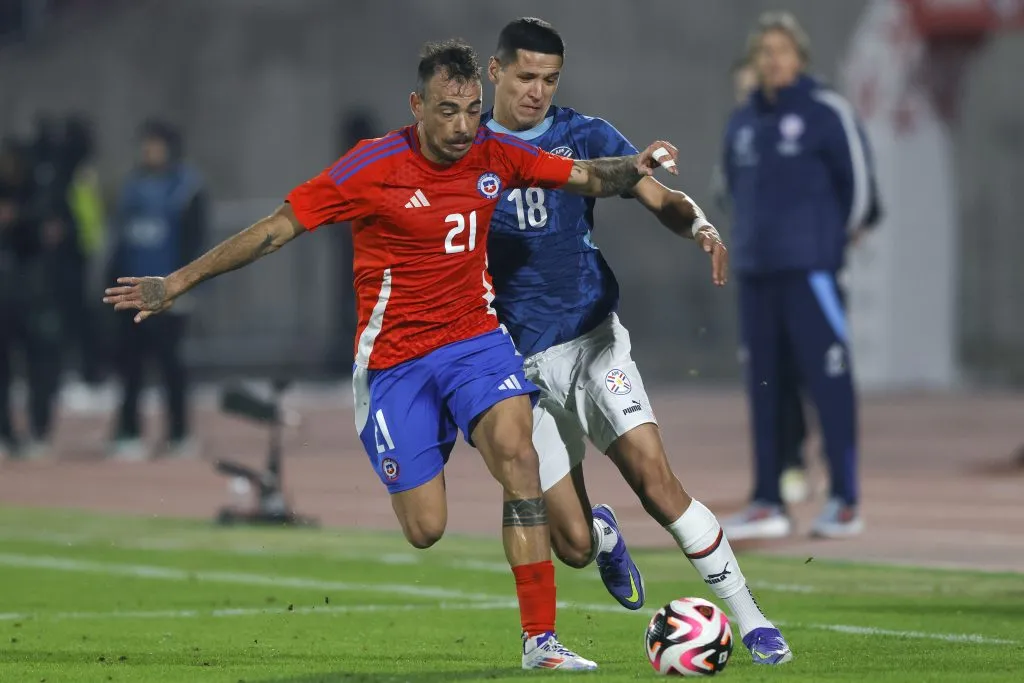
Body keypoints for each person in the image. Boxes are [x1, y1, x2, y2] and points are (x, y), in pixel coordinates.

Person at [103, 39, 682, 671]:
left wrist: (638, 164)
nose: (463, 126)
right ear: (417, 105)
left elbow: (589, 176)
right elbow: (274, 230)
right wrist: (175, 284)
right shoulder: (370, 167)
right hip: (396, 361)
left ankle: (539, 641)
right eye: (447, 110)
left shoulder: (497, 151)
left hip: (475, 343)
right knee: (425, 527)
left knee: (518, 453)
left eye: (471, 108)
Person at [483, 18, 791, 665]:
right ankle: (600, 534)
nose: (537, 91)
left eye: (549, 79)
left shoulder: (584, 135)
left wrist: (700, 226)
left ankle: (753, 617)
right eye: (526, 76)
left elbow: (654, 192)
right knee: (568, 543)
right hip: (519, 367)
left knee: (656, 479)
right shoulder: (469, 154)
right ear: (496, 72)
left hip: (594, 342)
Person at [720, 11, 879, 540]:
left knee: (828, 386)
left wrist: (827, 245)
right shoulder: (743, 121)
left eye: (782, 50)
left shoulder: (825, 111)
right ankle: (768, 500)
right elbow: (728, 189)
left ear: (801, 59)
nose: (772, 60)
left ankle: (846, 500)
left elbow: (861, 191)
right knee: (765, 389)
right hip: (757, 274)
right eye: (763, 51)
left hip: (811, 274)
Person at [713, 57, 812, 506]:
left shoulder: (797, 130)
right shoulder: (740, 130)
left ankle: (795, 458)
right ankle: (775, 469)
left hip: (797, 270)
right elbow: (724, 188)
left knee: (793, 369)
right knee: (764, 374)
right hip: (756, 271)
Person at [107, 120, 207, 460]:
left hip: (169, 290)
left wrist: (186, 286)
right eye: (146, 143)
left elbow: (195, 241)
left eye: (155, 144)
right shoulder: (132, 186)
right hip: (133, 289)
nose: (149, 150)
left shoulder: (186, 188)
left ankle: (179, 433)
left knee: (170, 365)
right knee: (131, 365)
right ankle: (128, 432)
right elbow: (120, 241)